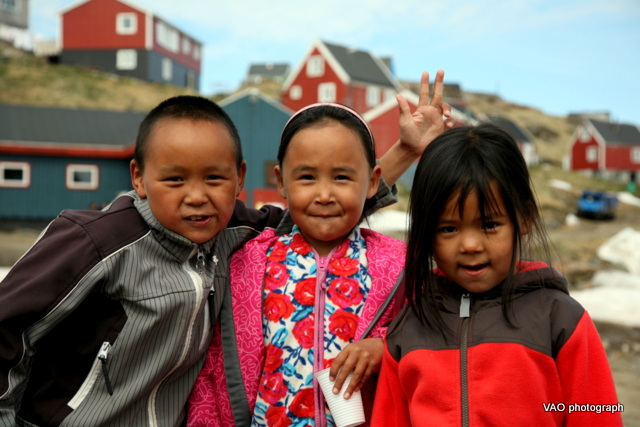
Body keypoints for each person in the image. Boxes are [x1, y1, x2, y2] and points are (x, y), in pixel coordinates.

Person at [0, 72, 450, 425]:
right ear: (138, 177)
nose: (197, 196)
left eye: (214, 179)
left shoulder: (239, 233)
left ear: (239, 178)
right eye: (174, 179)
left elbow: (322, 211)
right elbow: (8, 327)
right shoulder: (98, 242)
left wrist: (404, 154)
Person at [187, 73, 453, 427]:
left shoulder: (399, 264)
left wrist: (387, 348)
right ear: (280, 181)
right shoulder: (246, 261)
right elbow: (215, 369)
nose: (324, 194)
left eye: (342, 177)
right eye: (307, 177)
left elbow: (439, 334)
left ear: (372, 181)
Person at [370, 124, 623, 426]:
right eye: (448, 228)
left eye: (489, 224)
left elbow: (597, 412)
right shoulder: (409, 327)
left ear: (524, 218)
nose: (470, 245)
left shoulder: (561, 321)